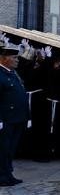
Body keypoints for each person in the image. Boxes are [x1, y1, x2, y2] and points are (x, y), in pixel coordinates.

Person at [0, 43, 27, 186]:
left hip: (17, 118)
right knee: (3, 149)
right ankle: (2, 176)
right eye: (14, 57)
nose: (17, 60)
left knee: (10, 149)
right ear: (4, 58)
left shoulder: (12, 74)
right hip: (6, 119)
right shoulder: (1, 74)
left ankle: (8, 173)